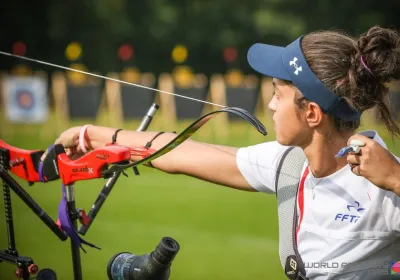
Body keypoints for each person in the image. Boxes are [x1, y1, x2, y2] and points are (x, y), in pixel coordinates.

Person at [43, 26, 400, 279]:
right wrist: (91, 135)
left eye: (278, 93)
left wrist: (396, 179)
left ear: (311, 113)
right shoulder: (289, 165)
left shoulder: (386, 185)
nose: (271, 106)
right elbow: (180, 153)